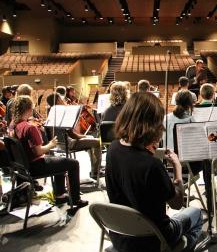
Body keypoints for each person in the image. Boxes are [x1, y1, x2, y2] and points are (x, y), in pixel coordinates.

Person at [106, 92, 203, 252]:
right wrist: (177, 167)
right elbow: (177, 203)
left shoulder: (113, 149)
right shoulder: (152, 165)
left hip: (121, 235)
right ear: (151, 124)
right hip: (154, 239)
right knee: (196, 214)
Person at [12, 95, 87, 207]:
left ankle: (60, 195)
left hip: (23, 168)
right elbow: (38, 152)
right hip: (35, 166)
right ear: (29, 109)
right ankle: (76, 199)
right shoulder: (30, 128)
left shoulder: (15, 125)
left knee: (60, 161)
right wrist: (51, 144)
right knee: (74, 164)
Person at [46, 93, 102, 179]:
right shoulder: (63, 113)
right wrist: (83, 136)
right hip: (69, 143)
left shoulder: (51, 113)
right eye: (62, 99)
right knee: (98, 142)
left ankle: (94, 167)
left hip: (59, 144)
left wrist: (84, 137)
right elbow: (72, 135)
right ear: (57, 100)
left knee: (90, 140)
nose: (64, 100)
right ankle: (95, 171)